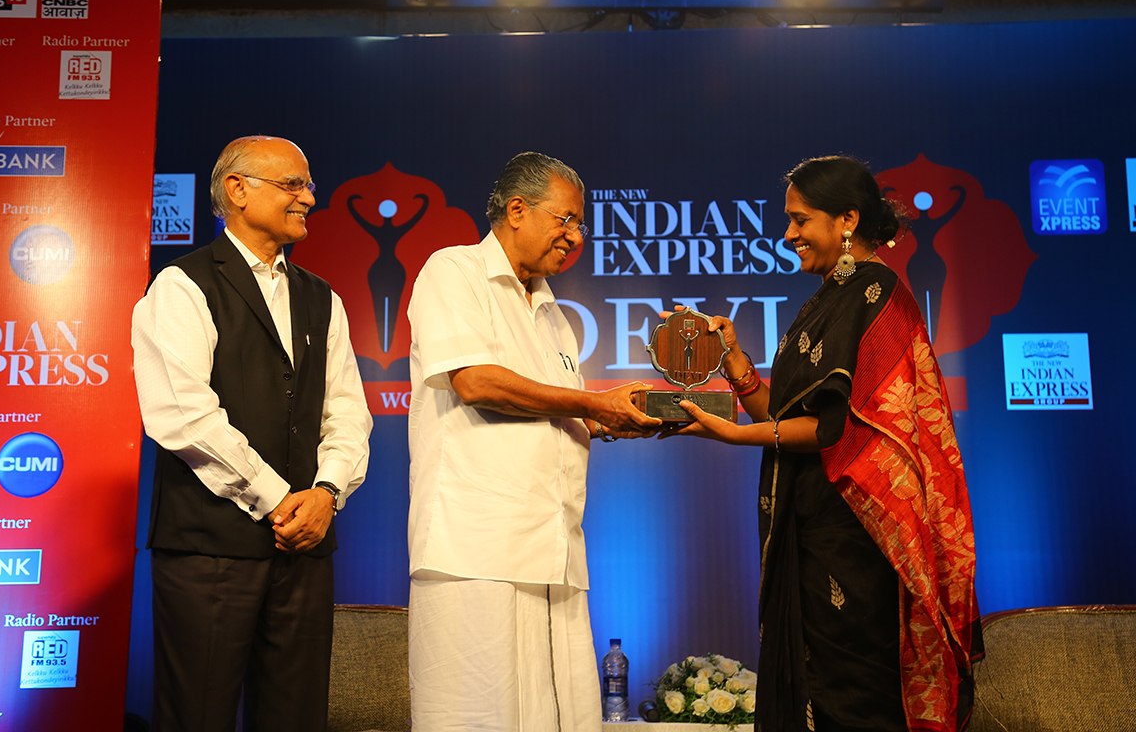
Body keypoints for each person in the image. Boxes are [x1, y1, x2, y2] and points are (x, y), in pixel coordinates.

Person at [667, 156, 983, 732]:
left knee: (854, 700)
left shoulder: (876, 294)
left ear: (847, 220)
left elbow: (833, 430)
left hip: (856, 538)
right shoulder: (827, 300)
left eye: (799, 219)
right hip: (812, 529)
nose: (787, 234)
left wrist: (733, 435)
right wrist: (735, 362)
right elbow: (785, 417)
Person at [406, 151, 660, 731]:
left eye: (581, 225)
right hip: (476, 550)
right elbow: (475, 382)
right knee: (477, 717)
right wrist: (592, 404)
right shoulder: (454, 270)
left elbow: (557, 411)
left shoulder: (553, 315)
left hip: (554, 550)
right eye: (565, 220)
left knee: (561, 716)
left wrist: (612, 418)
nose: (575, 237)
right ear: (517, 210)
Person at [131, 136, 373, 732]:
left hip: (305, 548)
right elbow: (182, 415)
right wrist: (278, 499)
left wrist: (326, 494)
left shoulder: (323, 297)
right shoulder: (182, 285)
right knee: (197, 717)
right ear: (237, 190)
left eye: (308, 185)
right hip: (209, 551)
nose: (309, 198)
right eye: (293, 184)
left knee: (296, 717)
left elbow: (348, 413)